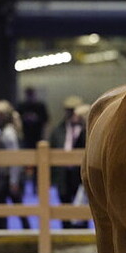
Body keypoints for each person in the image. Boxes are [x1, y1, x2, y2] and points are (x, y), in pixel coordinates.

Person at [0, 99, 30, 230]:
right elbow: (1, 159)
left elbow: (14, 158)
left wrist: (14, 181)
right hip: (4, 175)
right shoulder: (0, 131)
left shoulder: (9, 133)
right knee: (16, 207)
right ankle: (7, 231)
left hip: (9, 177)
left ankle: (27, 232)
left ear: (1, 116)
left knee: (8, 207)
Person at [49, 95, 86, 228]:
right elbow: (51, 149)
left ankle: (81, 234)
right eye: (68, 110)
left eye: (73, 110)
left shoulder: (87, 129)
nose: (71, 114)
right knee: (64, 206)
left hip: (80, 174)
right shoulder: (58, 130)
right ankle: (65, 233)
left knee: (81, 208)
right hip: (63, 174)